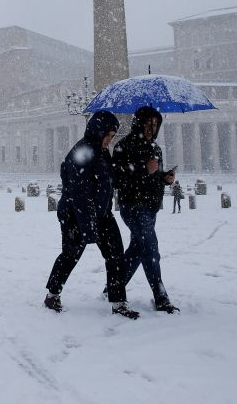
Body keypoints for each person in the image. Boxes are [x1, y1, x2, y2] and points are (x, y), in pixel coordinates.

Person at [44, 111, 139, 319]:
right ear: (98, 131)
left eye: (113, 136)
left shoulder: (103, 152)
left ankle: (118, 302)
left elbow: (109, 181)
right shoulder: (81, 152)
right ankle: (52, 295)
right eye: (109, 135)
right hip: (74, 215)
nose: (110, 140)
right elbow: (80, 194)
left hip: (102, 213)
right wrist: (88, 229)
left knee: (115, 255)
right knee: (71, 255)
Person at [112, 106, 179, 314]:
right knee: (151, 248)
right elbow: (118, 179)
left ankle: (114, 285)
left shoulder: (155, 148)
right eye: (149, 123)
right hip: (132, 205)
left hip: (150, 207)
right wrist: (143, 169)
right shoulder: (123, 146)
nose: (152, 128)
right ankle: (160, 296)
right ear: (139, 123)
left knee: (137, 249)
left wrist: (165, 178)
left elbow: (154, 177)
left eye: (156, 124)